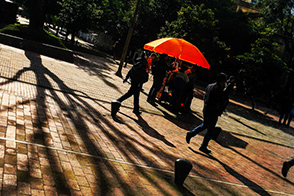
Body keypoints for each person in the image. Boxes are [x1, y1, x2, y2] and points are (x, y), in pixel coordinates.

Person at [186, 73, 228, 154]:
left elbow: (205, 96)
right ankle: (203, 145)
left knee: (205, 125)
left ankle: (192, 134)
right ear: (222, 81)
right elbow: (219, 101)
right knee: (210, 129)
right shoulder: (218, 89)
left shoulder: (210, 86)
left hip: (207, 109)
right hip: (213, 111)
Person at [111, 52, 148, 119]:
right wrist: (142, 81)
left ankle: (136, 109)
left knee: (136, 96)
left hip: (134, 80)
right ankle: (117, 101)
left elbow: (131, 70)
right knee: (130, 94)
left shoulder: (137, 61)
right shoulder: (143, 64)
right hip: (137, 82)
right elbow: (143, 75)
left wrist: (127, 78)